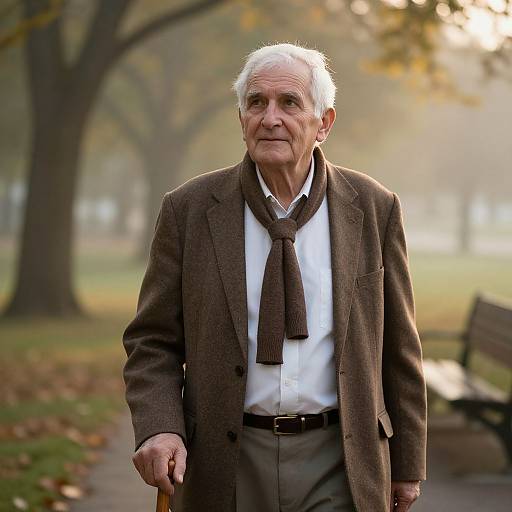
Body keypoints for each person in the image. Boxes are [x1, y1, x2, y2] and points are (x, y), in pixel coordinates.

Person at [123, 43, 427, 512]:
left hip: (342, 456)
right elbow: (152, 340)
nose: (270, 118)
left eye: (289, 103)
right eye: (256, 103)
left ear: (324, 123)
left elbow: (399, 347)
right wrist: (159, 425)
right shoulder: (188, 209)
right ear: (240, 118)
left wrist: (408, 466)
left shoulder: (373, 207)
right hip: (225, 458)